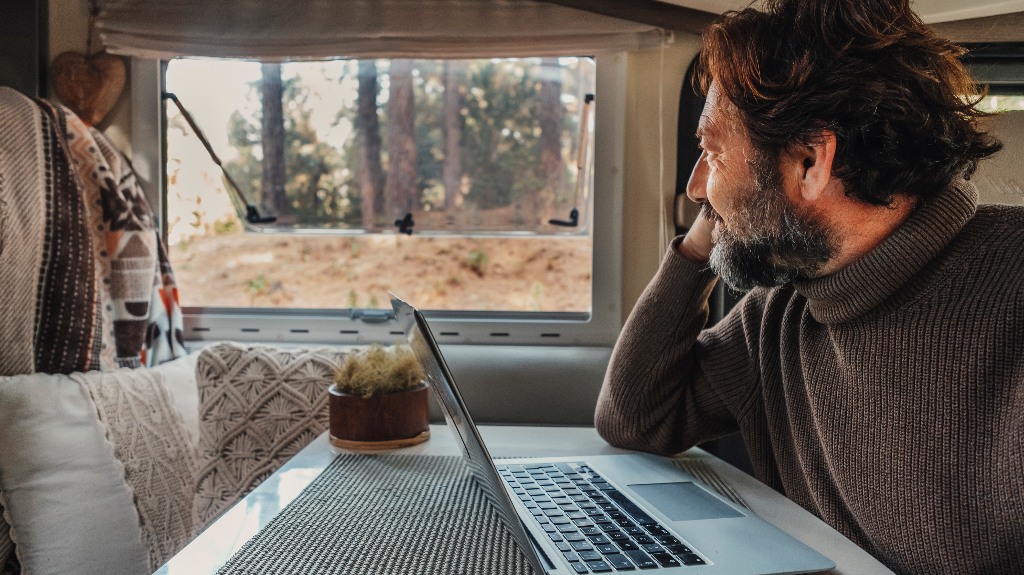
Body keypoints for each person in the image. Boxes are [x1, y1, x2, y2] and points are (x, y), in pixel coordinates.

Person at [594, 1, 1024, 574]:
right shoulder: (780, 312)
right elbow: (635, 418)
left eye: (713, 154)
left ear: (809, 160)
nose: (696, 187)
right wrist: (703, 241)